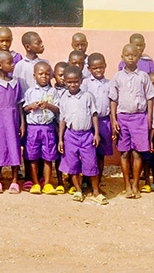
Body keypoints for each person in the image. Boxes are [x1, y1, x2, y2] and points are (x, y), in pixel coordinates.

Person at [110, 44, 154, 199]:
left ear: (139, 57)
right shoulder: (117, 77)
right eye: (127, 55)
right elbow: (113, 100)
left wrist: (149, 118)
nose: (130, 58)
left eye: (134, 55)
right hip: (122, 118)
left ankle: (136, 185)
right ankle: (127, 186)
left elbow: (150, 98)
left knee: (138, 153)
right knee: (124, 153)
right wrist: (113, 120)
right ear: (122, 56)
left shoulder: (143, 76)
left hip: (139, 118)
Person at [58, 66, 106, 204]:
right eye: (69, 82)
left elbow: (94, 115)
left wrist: (96, 134)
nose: (72, 85)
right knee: (72, 165)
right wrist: (61, 139)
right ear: (65, 82)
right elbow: (62, 119)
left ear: (81, 81)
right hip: (70, 135)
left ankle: (96, 191)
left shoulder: (87, 96)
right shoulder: (64, 98)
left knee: (91, 163)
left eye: (75, 82)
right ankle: (78, 190)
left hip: (86, 135)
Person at [0, 51, 24, 194]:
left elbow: (19, 104)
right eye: (9, 63)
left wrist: (22, 123)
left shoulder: (16, 83)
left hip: (13, 120)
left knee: (14, 148)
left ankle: (14, 180)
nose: (13, 65)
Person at [24, 61, 60, 195]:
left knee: (48, 156)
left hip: (47, 127)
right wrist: (31, 106)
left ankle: (48, 183)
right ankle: (35, 183)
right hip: (33, 128)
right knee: (33, 156)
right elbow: (25, 109)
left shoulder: (53, 91)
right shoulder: (30, 92)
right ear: (34, 76)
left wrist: (48, 106)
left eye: (47, 74)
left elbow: (57, 109)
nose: (44, 76)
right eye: (41, 74)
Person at [82, 52, 112, 175]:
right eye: (94, 68)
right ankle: (86, 181)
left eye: (101, 67)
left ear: (105, 66)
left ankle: (98, 180)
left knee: (101, 153)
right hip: (89, 122)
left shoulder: (110, 84)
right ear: (89, 69)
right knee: (88, 153)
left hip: (104, 121)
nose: (98, 70)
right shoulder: (85, 83)